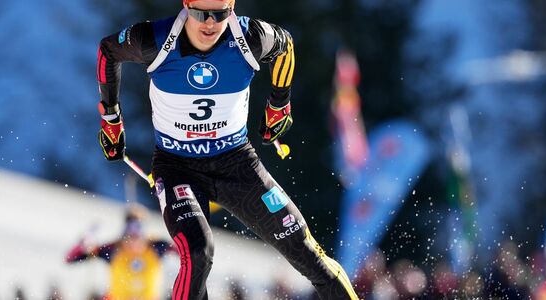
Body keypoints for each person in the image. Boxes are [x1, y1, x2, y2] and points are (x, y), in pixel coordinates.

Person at [95, 0, 358, 299]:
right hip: (177, 166)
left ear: (231, 7)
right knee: (198, 253)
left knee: (307, 252)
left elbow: (284, 46)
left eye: (219, 14)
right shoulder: (155, 39)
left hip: (237, 164)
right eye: (200, 13)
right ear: (186, 5)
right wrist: (111, 119)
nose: (209, 23)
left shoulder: (250, 37)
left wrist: (279, 103)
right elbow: (108, 50)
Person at [65, 205, 176, 300]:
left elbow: (186, 251)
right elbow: (71, 259)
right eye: (130, 235)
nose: (134, 241)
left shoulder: (157, 247)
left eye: (137, 235)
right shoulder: (113, 249)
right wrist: (83, 244)